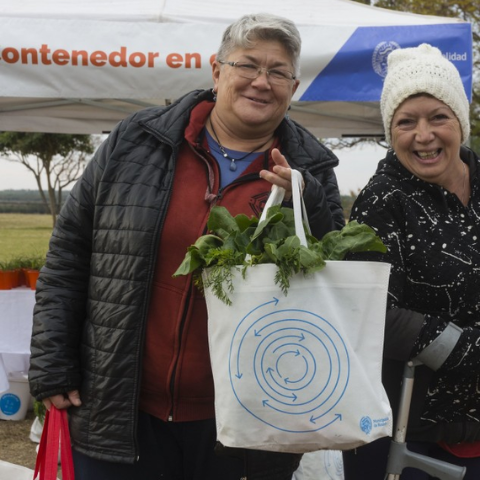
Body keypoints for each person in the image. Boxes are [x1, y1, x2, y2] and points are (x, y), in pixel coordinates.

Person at [29, 13, 345, 480]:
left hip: (241, 425)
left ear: (293, 87)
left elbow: (335, 279)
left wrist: (309, 202)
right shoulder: (137, 140)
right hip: (120, 407)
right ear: (217, 72)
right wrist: (53, 361)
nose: (262, 81)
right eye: (247, 65)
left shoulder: (310, 169)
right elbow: (69, 254)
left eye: (278, 72)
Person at [342, 44, 480, 480]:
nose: (423, 135)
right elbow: (371, 313)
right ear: (392, 130)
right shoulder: (382, 201)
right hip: (401, 431)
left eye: (437, 117)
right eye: (406, 122)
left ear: (460, 121)